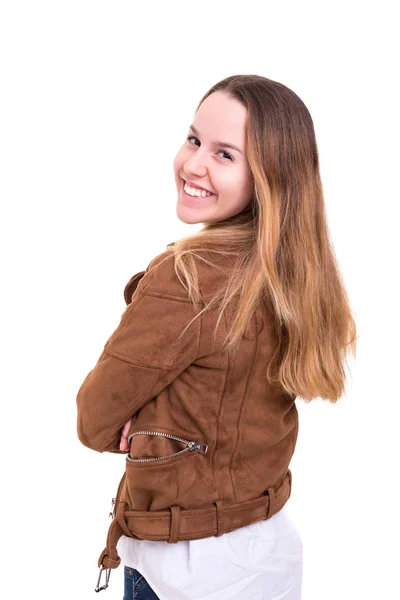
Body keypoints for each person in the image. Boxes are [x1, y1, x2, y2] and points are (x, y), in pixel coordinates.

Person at [76, 74, 357, 600]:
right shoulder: (293, 272)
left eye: (225, 155)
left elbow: (94, 420)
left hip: (181, 566)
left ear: (269, 176)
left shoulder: (188, 277)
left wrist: (145, 419)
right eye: (193, 139)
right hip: (266, 546)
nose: (194, 165)